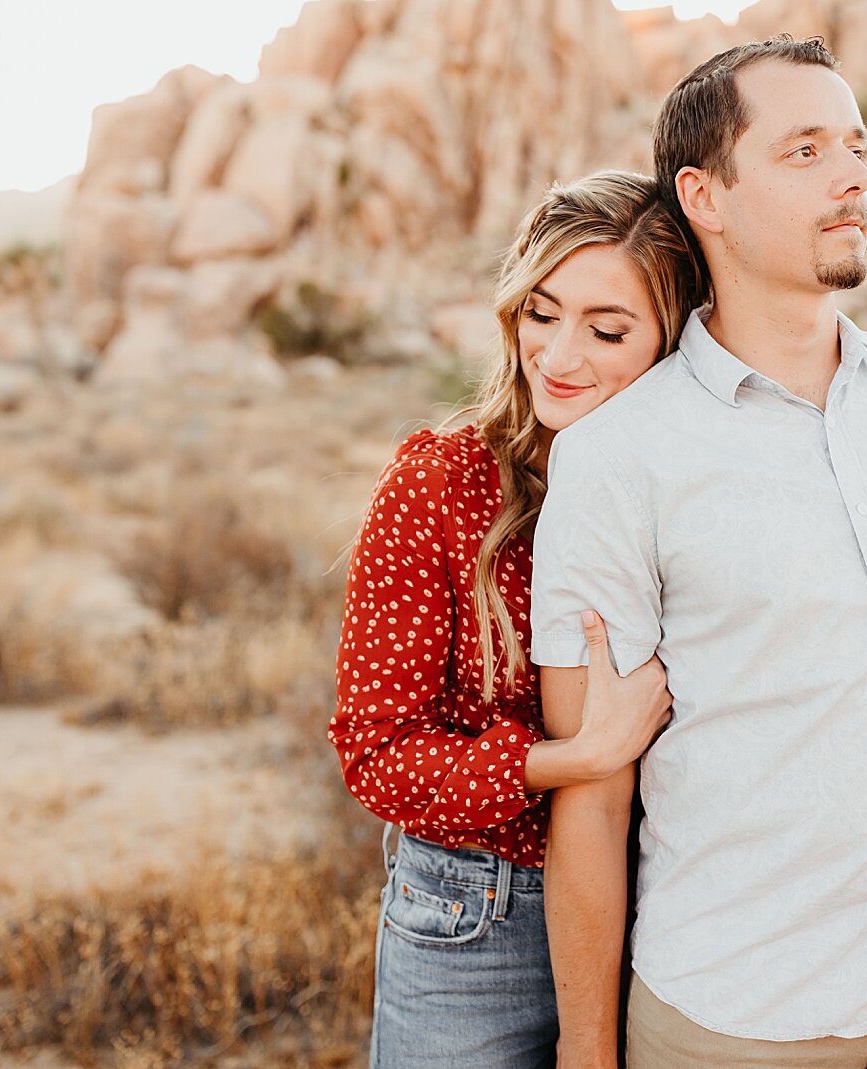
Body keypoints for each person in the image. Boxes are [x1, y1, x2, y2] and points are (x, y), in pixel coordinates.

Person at [531, 36, 867, 1069]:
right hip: (734, 1013)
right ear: (706, 195)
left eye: (855, 146)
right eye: (805, 150)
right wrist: (588, 1054)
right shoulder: (617, 458)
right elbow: (590, 798)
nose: (854, 177)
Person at [327, 169, 703, 1069]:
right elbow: (376, 752)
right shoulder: (438, 486)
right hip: (478, 914)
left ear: (675, 340)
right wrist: (570, 759)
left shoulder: (697, 503)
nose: (559, 355)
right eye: (541, 313)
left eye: (606, 330)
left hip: (672, 905)